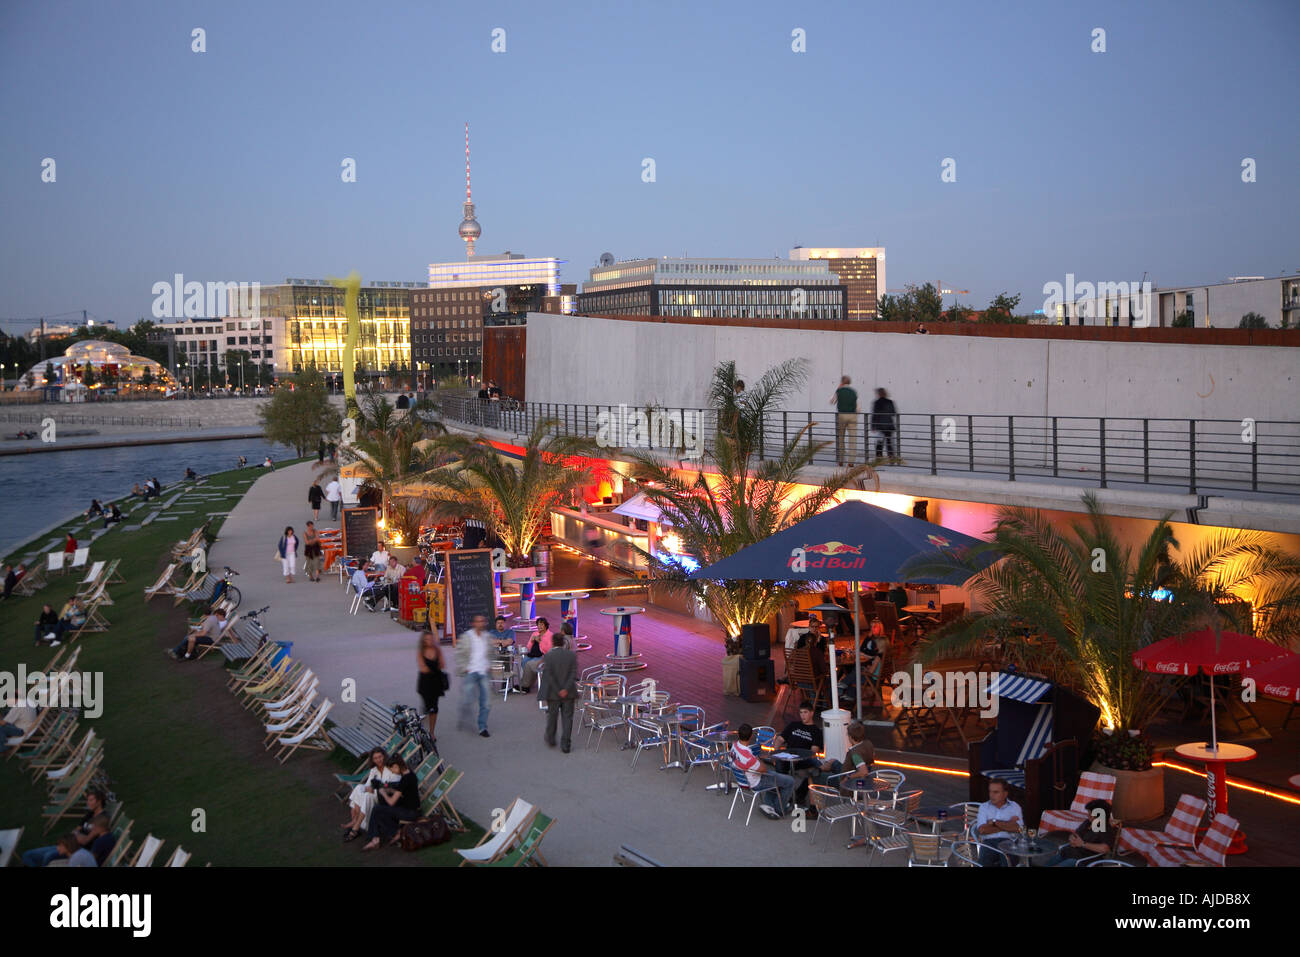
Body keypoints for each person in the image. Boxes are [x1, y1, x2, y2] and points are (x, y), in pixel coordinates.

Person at [22, 789, 108, 867]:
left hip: (78, 850)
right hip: (69, 843)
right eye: (88, 800)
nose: (88, 803)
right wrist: (77, 835)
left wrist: (77, 835)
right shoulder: (89, 814)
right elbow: (76, 830)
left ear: (99, 801)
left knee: (49, 856)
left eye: (91, 800)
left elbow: (86, 840)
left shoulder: (102, 819)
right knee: (27, 855)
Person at [731, 723, 796, 819]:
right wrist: (759, 759)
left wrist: (756, 759)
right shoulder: (748, 757)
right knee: (790, 781)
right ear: (751, 736)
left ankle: (768, 804)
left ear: (738, 735)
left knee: (776, 776)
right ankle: (780, 809)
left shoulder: (734, 746)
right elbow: (763, 769)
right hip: (755, 782)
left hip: (742, 779)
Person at [361, 755, 420, 851]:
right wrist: (391, 790)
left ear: (396, 766)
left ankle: (380, 837)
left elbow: (392, 802)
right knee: (380, 809)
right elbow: (404, 793)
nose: (392, 772)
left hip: (410, 813)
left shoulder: (405, 779)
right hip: (411, 808)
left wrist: (384, 793)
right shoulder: (410, 774)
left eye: (392, 769)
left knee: (377, 809)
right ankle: (392, 833)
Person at [773, 701, 825, 806]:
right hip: (788, 757)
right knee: (779, 763)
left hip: (804, 759)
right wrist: (775, 752)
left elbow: (813, 751)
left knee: (815, 768)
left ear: (811, 713)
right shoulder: (794, 725)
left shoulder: (816, 731)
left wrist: (801, 758)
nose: (803, 715)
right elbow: (780, 739)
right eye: (801, 713)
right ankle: (782, 792)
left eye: (805, 712)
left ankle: (799, 796)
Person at [342, 748, 400, 842]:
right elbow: (367, 784)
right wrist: (367, 789)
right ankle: (355, 820)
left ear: (384, 756)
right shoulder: (374, 770)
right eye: (375, 758)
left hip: (386, 797)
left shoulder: (391, 768)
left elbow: (392, 787)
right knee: (359, 788)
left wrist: (374, 789)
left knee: (368, 795)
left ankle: (356, 827)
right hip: (375, 794)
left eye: (380, 757)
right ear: (373, 760)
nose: (378, 760)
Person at [455, 613, 496, 737]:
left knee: (486, 702)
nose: (480, 624)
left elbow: (492, 653)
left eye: (482, 621)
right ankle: (464, 716)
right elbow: (459, 653)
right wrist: (464, 667)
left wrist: (490, 664)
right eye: (478, 621)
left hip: (483, 672)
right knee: (468, 699)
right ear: (473, 624)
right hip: (471, 671)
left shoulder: (487, 637)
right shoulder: (467, 637)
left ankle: (482, 727)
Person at [540, 628, 580, 752]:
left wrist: (558, 689)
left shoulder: (548, 656)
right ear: (563, 642)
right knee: (568, 718)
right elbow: (573, 674)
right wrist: (566, 689)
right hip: (569, 692)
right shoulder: (571, 655)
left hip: (553, 693)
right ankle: (566, 744)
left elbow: (549, 676)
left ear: (553, 642)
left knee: (552, 715)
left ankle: (551, 738)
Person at [1045, 799, 1118, 866]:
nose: (1088, 815)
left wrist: (1082, 844)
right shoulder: (1088, 822)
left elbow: (1105, 849)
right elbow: (1076, 834)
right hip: (1069, 852)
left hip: (1083, 860)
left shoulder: (1105, 829)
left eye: (1090, 814)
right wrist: (1072, 838)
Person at [975, 779, 1024, 866]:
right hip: (989, 841)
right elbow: (982, 830)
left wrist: (994, 822)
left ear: (1005, 794)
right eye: (990, 791)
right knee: (984, 862)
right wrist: (1008, 824)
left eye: (996, 792)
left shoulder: (1014, 807)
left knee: (1008, 862)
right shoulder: (984, 807)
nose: (991, 795)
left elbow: (1019, 828)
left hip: (1009, 841)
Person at [416, 630, 447, 745]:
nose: (429, 641)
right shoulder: (421, 651)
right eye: (427, 639)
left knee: (434, 708)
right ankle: (423, 725)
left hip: (436, 683)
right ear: (423, 641)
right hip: (425, 684)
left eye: (431, 639)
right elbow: (423, 668)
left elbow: (443, 664)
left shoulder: (437, 650)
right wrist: (436, 667)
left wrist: (435, 667)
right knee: (427, 707)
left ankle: (432, 732)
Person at [517, 617, 553, 693]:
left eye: (541, 624)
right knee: (524, 661)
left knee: (529, 664)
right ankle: (529, 680)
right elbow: (528, 647)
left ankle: (526, 684)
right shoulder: (535, 633)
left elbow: (548, 650)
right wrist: (532, 640)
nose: (539, 626)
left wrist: (540, 641)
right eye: (538, 625)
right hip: (533, 654)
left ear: (546, 625)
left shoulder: (550, 635)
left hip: (543, 656)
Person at [830, 375, 858, 466]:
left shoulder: (839, 391)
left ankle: (841, 460)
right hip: (853, 416)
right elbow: (858, 406)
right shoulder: (854, 392)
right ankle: (851, 461)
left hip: (842, 415)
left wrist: (838, 388)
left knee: (841, 438)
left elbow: (832, 401)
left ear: (842, 382)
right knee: (853, 439)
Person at [871, 387, 899, 463]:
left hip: (880, 425)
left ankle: (879, 458)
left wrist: (873, 426)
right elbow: (893, 413)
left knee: (879, 443)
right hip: (889, 425)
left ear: (879, 394)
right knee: (889, 443)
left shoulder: (877, 402)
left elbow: (874, 415)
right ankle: (891, 459)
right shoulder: (890, 402)